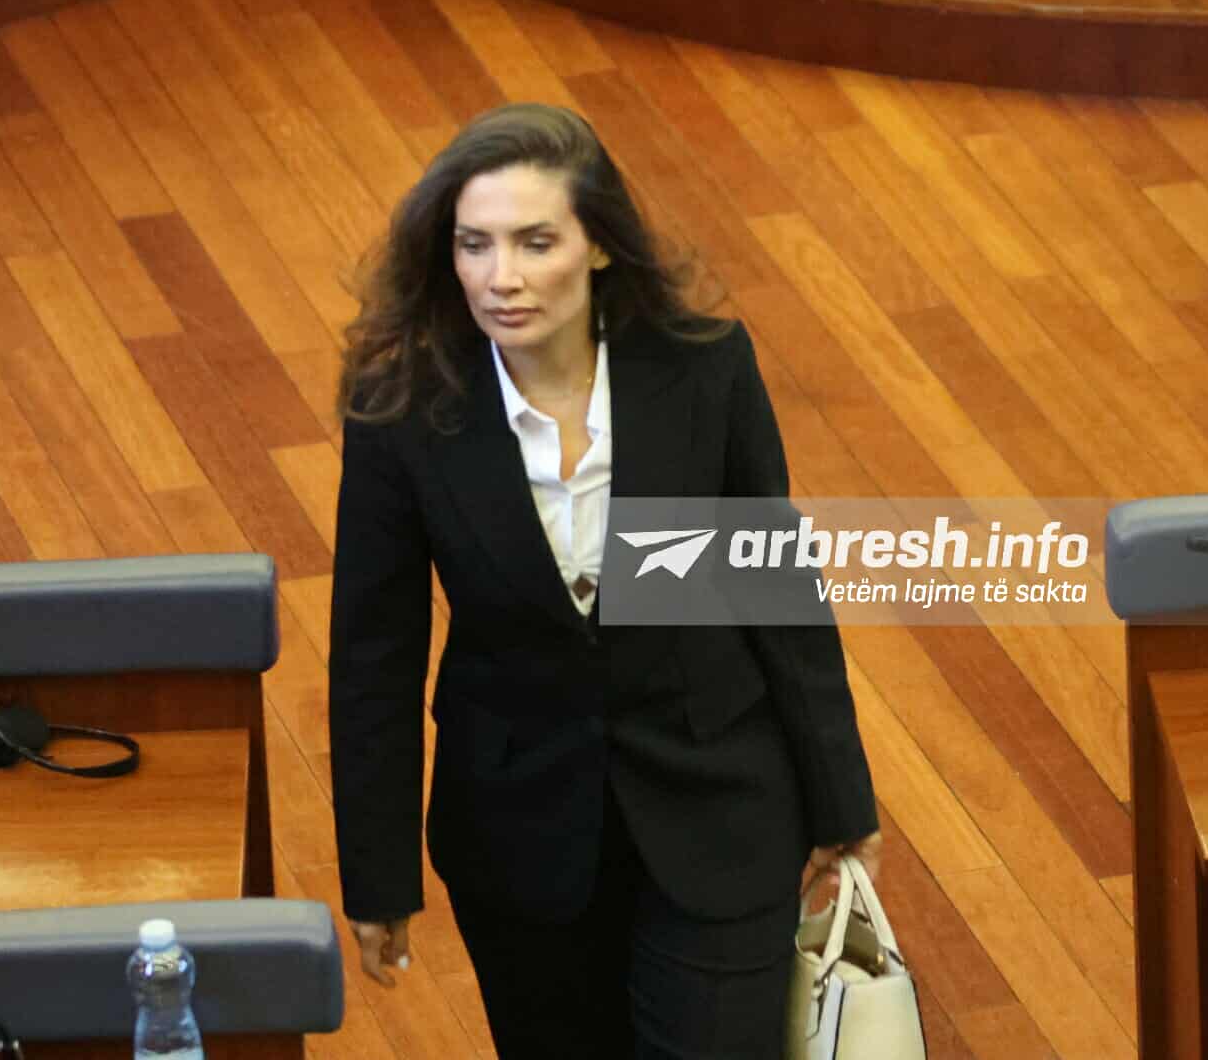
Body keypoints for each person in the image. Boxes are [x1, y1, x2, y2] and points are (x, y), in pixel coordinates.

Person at [329, 102, 881, 1059]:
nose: (501, 277)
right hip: (518, 832)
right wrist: (378, 877)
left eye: (535, 242)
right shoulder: (403, 414)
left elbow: (775, 587)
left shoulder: (704, 372)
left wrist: (842, 800)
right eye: (474, 245)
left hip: (717, 805)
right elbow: (375, 657)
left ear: (599, 246)